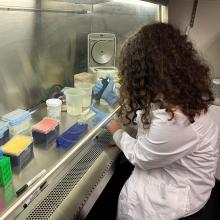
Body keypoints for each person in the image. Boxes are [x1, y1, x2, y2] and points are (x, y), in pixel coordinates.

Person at [91, 23, 219, 220]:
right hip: (178, 184)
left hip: (172, 205)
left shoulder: (178, 117)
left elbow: (142, 155)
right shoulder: (180, 92)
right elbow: (149, 123)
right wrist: (115, 101)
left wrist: (112, 126)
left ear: (145, 72)